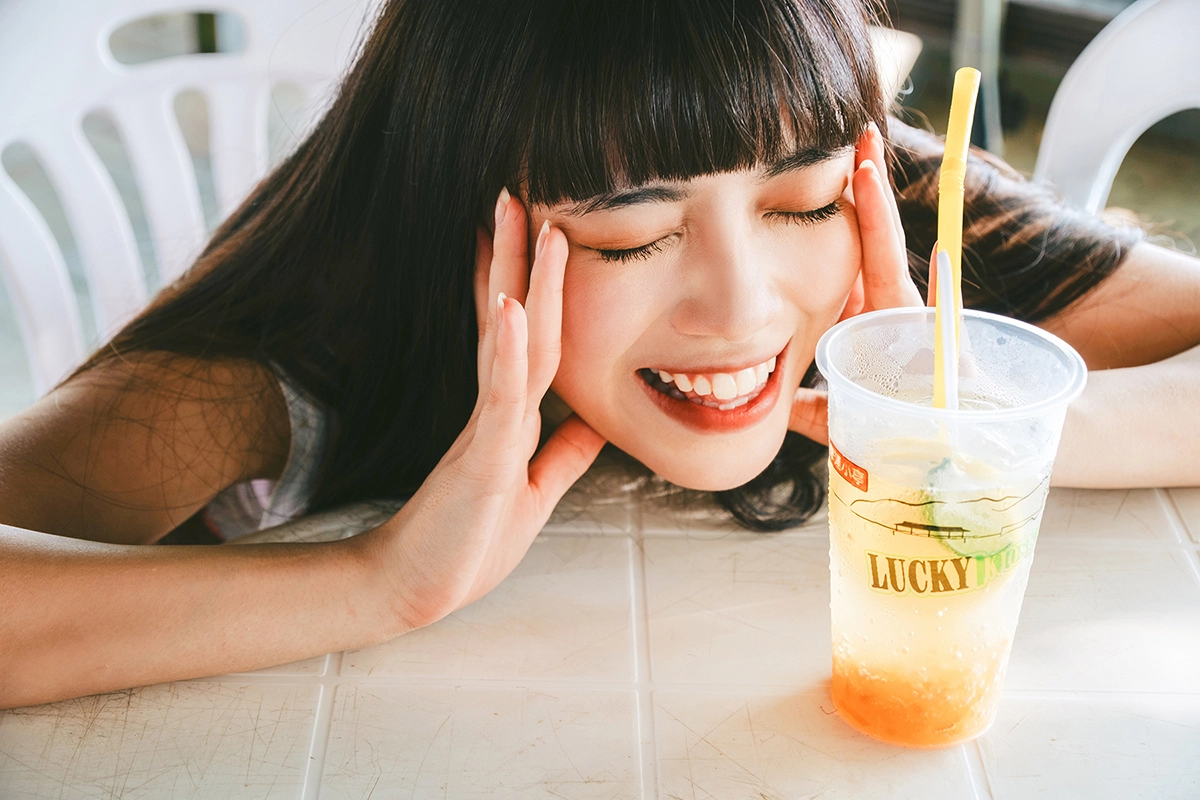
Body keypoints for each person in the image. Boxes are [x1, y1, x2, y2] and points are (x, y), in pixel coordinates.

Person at [1, 0, 1198, 709]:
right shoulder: (330, 306)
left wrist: (966, 419)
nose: (743, 305)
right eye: (633, 228)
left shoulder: (897, 197)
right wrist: (381, 578)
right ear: (468, 219)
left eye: (795, 205)